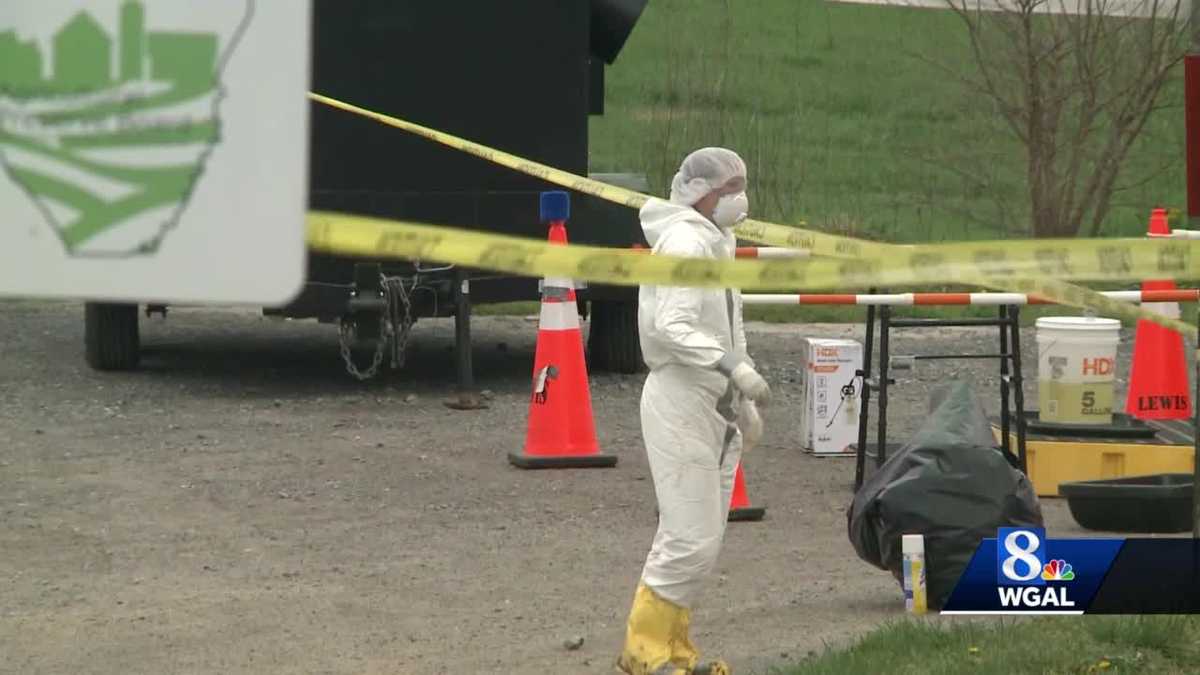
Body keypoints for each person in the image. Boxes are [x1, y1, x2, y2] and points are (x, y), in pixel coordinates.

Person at [617, 148, 771, 675]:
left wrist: (741, 397)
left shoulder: (717, 241)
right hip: (680, 399)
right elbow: (672, 328)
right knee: (686, 536)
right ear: (701, 190)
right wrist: (732, 366)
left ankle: (675, 650)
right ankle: (643, 652)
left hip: (714, 404)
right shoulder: (684, 241)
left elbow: (731, 321)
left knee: (703, 540)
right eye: (732, 187)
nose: (740, 197)